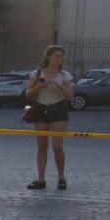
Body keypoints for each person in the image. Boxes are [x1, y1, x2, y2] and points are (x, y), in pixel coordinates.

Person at [25, 44, 74, 191]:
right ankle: (41, 179)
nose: (59, 58)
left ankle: (61, 177)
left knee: (57, 146)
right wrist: (40, 87)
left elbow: (70, 97)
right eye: (56, 56)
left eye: (61, 56)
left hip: (58, 109)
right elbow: (27, 93)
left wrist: (59, 87)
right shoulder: (37, 73)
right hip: (40, 109)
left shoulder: (65, 75)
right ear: (48, 57)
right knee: (42, 146)